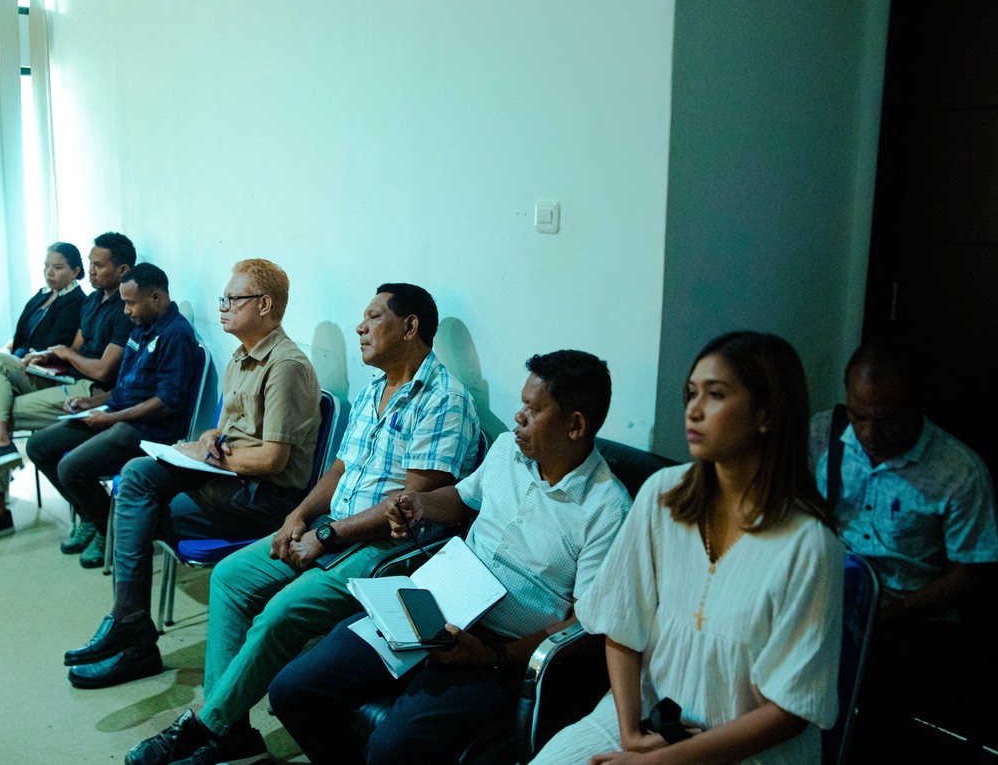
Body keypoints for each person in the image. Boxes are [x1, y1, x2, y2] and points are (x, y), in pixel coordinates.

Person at [120, 283, 481, 765]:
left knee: (281, 613)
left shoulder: (443, 400)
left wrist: (325, 535)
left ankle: (208, 723)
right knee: (230, 577)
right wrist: (300, 516)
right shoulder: (376, 388)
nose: (360, 327)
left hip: (387, 551)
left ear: (410, 326)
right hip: (334, 525)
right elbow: (340, 469)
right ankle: (232, 729)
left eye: (374, 317)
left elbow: (411, 504)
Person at [268, 350, 632, 765]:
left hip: (502, 648)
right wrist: (417, 504)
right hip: (435, 606)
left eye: (533, 410)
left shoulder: (606, 509)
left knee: (390, 750)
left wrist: (492, 657)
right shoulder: (507, 451)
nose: (518, 417)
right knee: (291, 691)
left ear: (575, 425)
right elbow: (461, 499)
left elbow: (585, 626)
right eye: (521, 404)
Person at [530, 331, 844, 765]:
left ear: (767, 413)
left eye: (716, 394)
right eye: (691, 393)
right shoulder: (663, 494)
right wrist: (631, 734)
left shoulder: (809, 545)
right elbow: (622, 625)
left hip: (740, 748)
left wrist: (655, 762)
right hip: (644, 717)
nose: (693, 409)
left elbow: (789, 713)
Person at [63, 258, 322, 688]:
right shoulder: (241, 357)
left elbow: (272, 461)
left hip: (263, 498)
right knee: (136, 477)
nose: (222, 307)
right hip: (228, 481)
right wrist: (207, 439)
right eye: (223, 298)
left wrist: (207, 458)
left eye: (233, 299)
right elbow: (225, 429)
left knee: (135, 511)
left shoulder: (286, 366)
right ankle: (130, 627)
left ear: (264, 304)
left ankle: (133, 636)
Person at [809, 337, 998, 752]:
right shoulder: (824, 433)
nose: (870, 434)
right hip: (830, 597)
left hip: (910, 616)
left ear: (919, 406)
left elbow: (971, 571)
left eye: (888, 421)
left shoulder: (960, 472)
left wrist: (888, 615)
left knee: (879, 709)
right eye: (859, 417)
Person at [0, 232, 135, 545]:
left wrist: (65, 354)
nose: (90, 271)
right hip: (65, 377)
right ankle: (0, 447)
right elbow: (75, 348)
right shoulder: (92, 301)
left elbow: (103, 370)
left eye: (98, 265)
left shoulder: (125, 309)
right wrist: (49, 355)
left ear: (123, 270)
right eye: (90, 263)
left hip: (91, 389)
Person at [21, 262, 201, 570]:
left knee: (70, 468)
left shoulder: (176, 335)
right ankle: (93, 519)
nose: (126, 310)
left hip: (149, 431)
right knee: (38, 446)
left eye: (131, 303)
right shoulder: (140, 328)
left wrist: (111, 419)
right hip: (117, 415)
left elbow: (166, 403)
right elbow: (124, 388)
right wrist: (91, 403)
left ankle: (109, 532)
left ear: (155, 297)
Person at [0, 242, 87, 497]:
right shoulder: (42, 295)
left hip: (41, 373)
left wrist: (13, 359)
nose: (49, 272)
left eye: (57, 267)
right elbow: (20, 336)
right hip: (18, 365)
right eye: (46, 266)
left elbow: (54, 346)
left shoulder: (76, 302)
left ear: (75, 271)